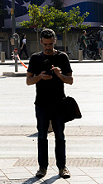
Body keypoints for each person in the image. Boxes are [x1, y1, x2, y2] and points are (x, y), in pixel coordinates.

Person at [26, 28, 73, 179]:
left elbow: (70, 80)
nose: (48, 47)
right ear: (41, 42)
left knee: (60, 136)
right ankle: (42, 168)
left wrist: (59, 75)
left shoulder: (62, 57)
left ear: (55, 41)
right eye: (45, 44)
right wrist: (39, 77)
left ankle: (62, 167)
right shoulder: (35, 58)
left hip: (59, 103)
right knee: (41, 137)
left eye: (50, 44)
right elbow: (28, 81)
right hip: (41, 104)